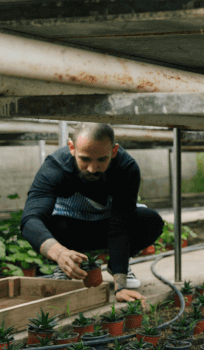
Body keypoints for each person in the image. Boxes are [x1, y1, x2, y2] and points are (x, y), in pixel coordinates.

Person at [20, 123, 164, 304]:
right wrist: (59, 253)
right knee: (45, 223)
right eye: (85, 159)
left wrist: (121, 288)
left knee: (150, 220)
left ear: (114, 151)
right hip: (70, 228)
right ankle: (65, 264)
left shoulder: (126, 167)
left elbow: (121, 223)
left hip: (107, 224)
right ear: (72, 148)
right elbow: (30, 219)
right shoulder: (55, 167)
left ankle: (119, 266)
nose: (92, 168)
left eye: (102, 160)